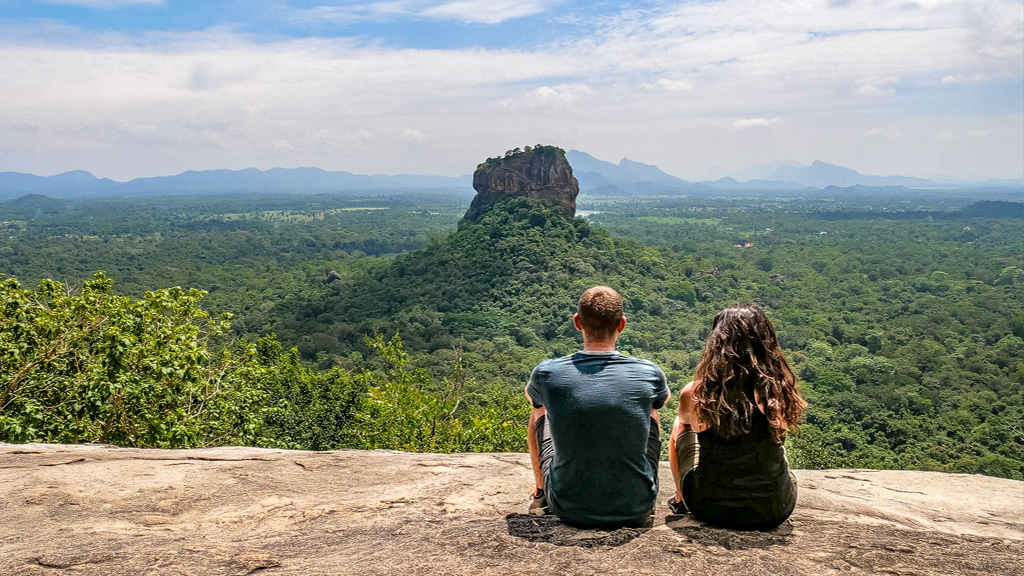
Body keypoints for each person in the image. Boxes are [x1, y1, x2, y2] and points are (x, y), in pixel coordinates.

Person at [525, 286, 669, 528]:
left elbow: (532, 400)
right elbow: (663, 401)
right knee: (652, 409)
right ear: (621, 324)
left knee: (540, 407)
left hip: (568, 508)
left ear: (577, 322)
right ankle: (640, 484)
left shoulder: (547, 373)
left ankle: (541, 491)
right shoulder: (649, 373)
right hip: (636, 507)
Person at [668, 303, 807, 530]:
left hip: (709, 507)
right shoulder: (777, 391)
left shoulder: (698, 393)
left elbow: (687, 427)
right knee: (775, 437)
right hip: (774, 509)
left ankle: (680, 498)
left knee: (680, 426)